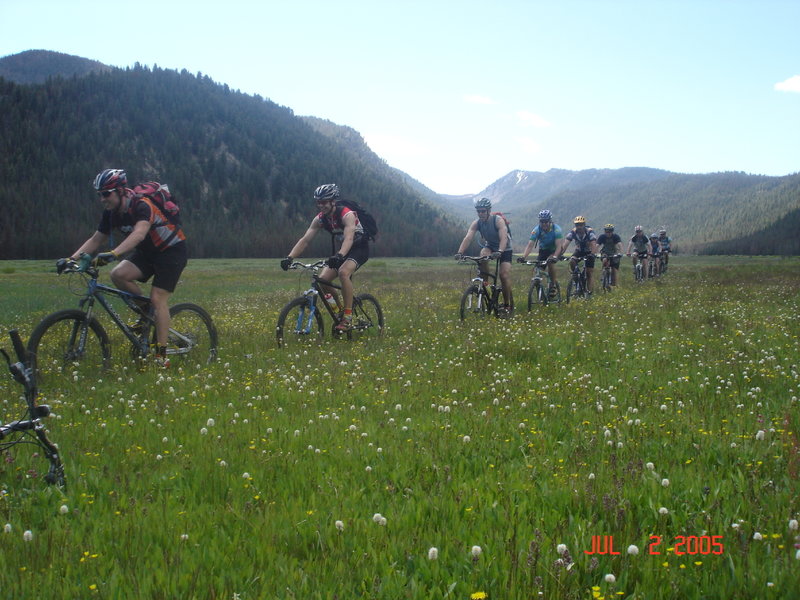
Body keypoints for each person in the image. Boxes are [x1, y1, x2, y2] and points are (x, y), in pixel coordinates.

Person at [67, 168, 187, 367]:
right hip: (148, 252)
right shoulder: (111, 214)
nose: (102, 199)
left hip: (171, 250)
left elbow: (139, 233)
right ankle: (148, 314)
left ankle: (161, 356)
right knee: (119, 274)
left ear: (120, 191)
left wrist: (114, 254)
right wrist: (71, 259)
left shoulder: (142, 205)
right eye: (99, 195)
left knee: (158, 298)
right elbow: (96, 238)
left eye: (106, 194)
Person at [280, 184, 369, 332]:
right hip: (341, 251)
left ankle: (347, 317)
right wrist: (289, 257)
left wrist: (340, 255)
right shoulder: (320, 219)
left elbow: (348, 238)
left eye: (324, 202)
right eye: (318, 202)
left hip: (358, 249)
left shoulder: (347, 214)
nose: (321, 205)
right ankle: (340, 310)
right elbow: (305, 239)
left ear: (333, 201)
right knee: (323, 281)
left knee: (343, 272)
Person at [455, 197, 513, 314]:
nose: (481, 213)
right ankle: (485, 283)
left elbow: (503, 238)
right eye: (479, 211)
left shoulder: (498, 220)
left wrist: (500, 251)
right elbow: (468, 237)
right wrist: (460, 252)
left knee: (503, 275)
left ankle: (507, 305)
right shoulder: (476, 223)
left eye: (483, 211)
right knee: (483, 255)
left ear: (488, 210)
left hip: (505, 249)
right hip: (490, 246)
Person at [517, 209, 563, 297]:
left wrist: (555, 257)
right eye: (542, 222)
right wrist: (523, 257)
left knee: (550, 262)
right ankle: (540, 292)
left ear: (550, 221)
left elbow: (558, 246)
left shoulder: (557, 229)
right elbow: (530, 245)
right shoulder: (536, 230)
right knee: (537, 270)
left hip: (555, 250)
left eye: (546, 222)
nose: (544, 224)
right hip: (543, 251)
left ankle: (553, 285)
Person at [554, 216, 598, 294]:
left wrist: (593, 254)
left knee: (589, 272)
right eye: (577, 225)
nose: (579, 227)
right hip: (579, 251)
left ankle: (590, 292)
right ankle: (577, 280)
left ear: (584, 224)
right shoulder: (573, 232)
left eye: (581, 225)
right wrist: (560, 255)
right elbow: (565, 244)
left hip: (589, 252)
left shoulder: (590, 232)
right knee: (572, 261)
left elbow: (594, 244)